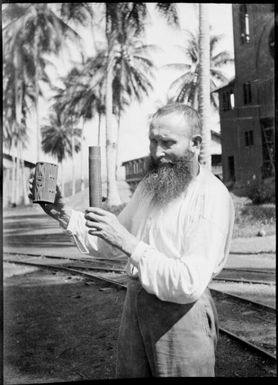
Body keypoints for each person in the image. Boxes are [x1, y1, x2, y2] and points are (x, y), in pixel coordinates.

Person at [29, 103, 235, 378]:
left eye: (167, 143)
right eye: (153, 140)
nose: (156, 152)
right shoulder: (151, 186)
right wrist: (62, 212)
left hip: (182, 319)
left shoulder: (211, 196)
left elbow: (188, 283)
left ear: (196, 144)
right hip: (136, 308)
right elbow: (107, 240)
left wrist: (128, 242)